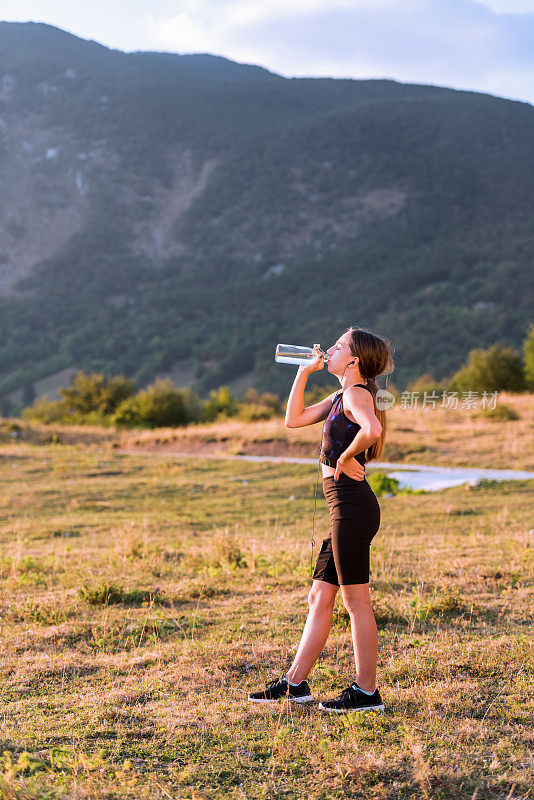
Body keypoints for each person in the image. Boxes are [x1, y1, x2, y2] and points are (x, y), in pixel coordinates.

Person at [248, 325, 395, 713]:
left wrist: (346, 457)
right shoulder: (339, 395)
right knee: (320, 596)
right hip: (342, 509)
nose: (329, 349)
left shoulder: (357, 394)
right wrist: (303, 372)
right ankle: (295, 684)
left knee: (355, 602)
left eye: (338, 345)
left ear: (354, 360)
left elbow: (372, 429)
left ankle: (367, 692)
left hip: (352, 508)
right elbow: (293, 420)